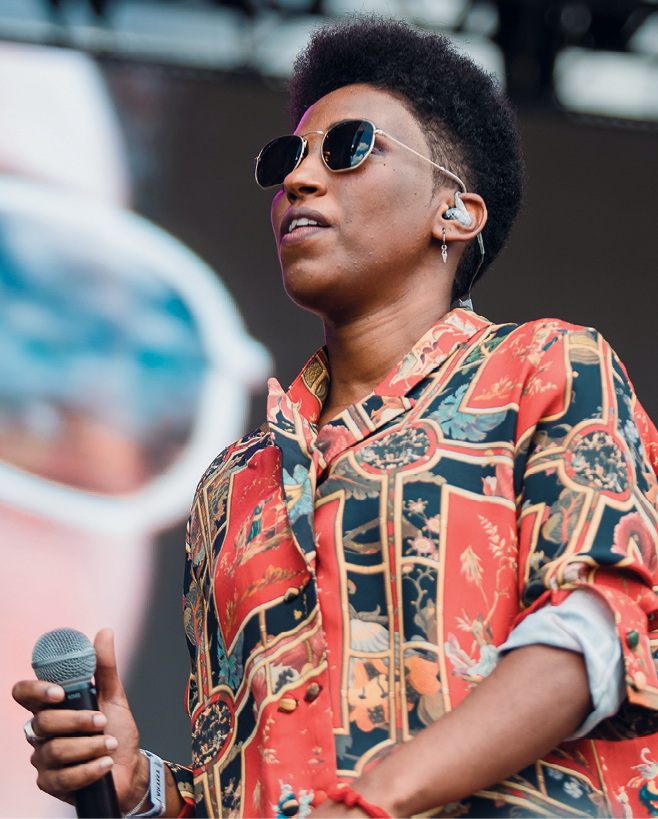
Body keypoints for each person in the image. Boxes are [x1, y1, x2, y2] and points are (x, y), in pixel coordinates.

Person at [13, 15, 658, 819]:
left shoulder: (545, 368)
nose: (301, 180)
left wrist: (371, 800)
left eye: (349, 148)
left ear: (455, 214)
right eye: (289, 160)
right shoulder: (229, 487)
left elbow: (597, 635)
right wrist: (144, 787)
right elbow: (235, 783)